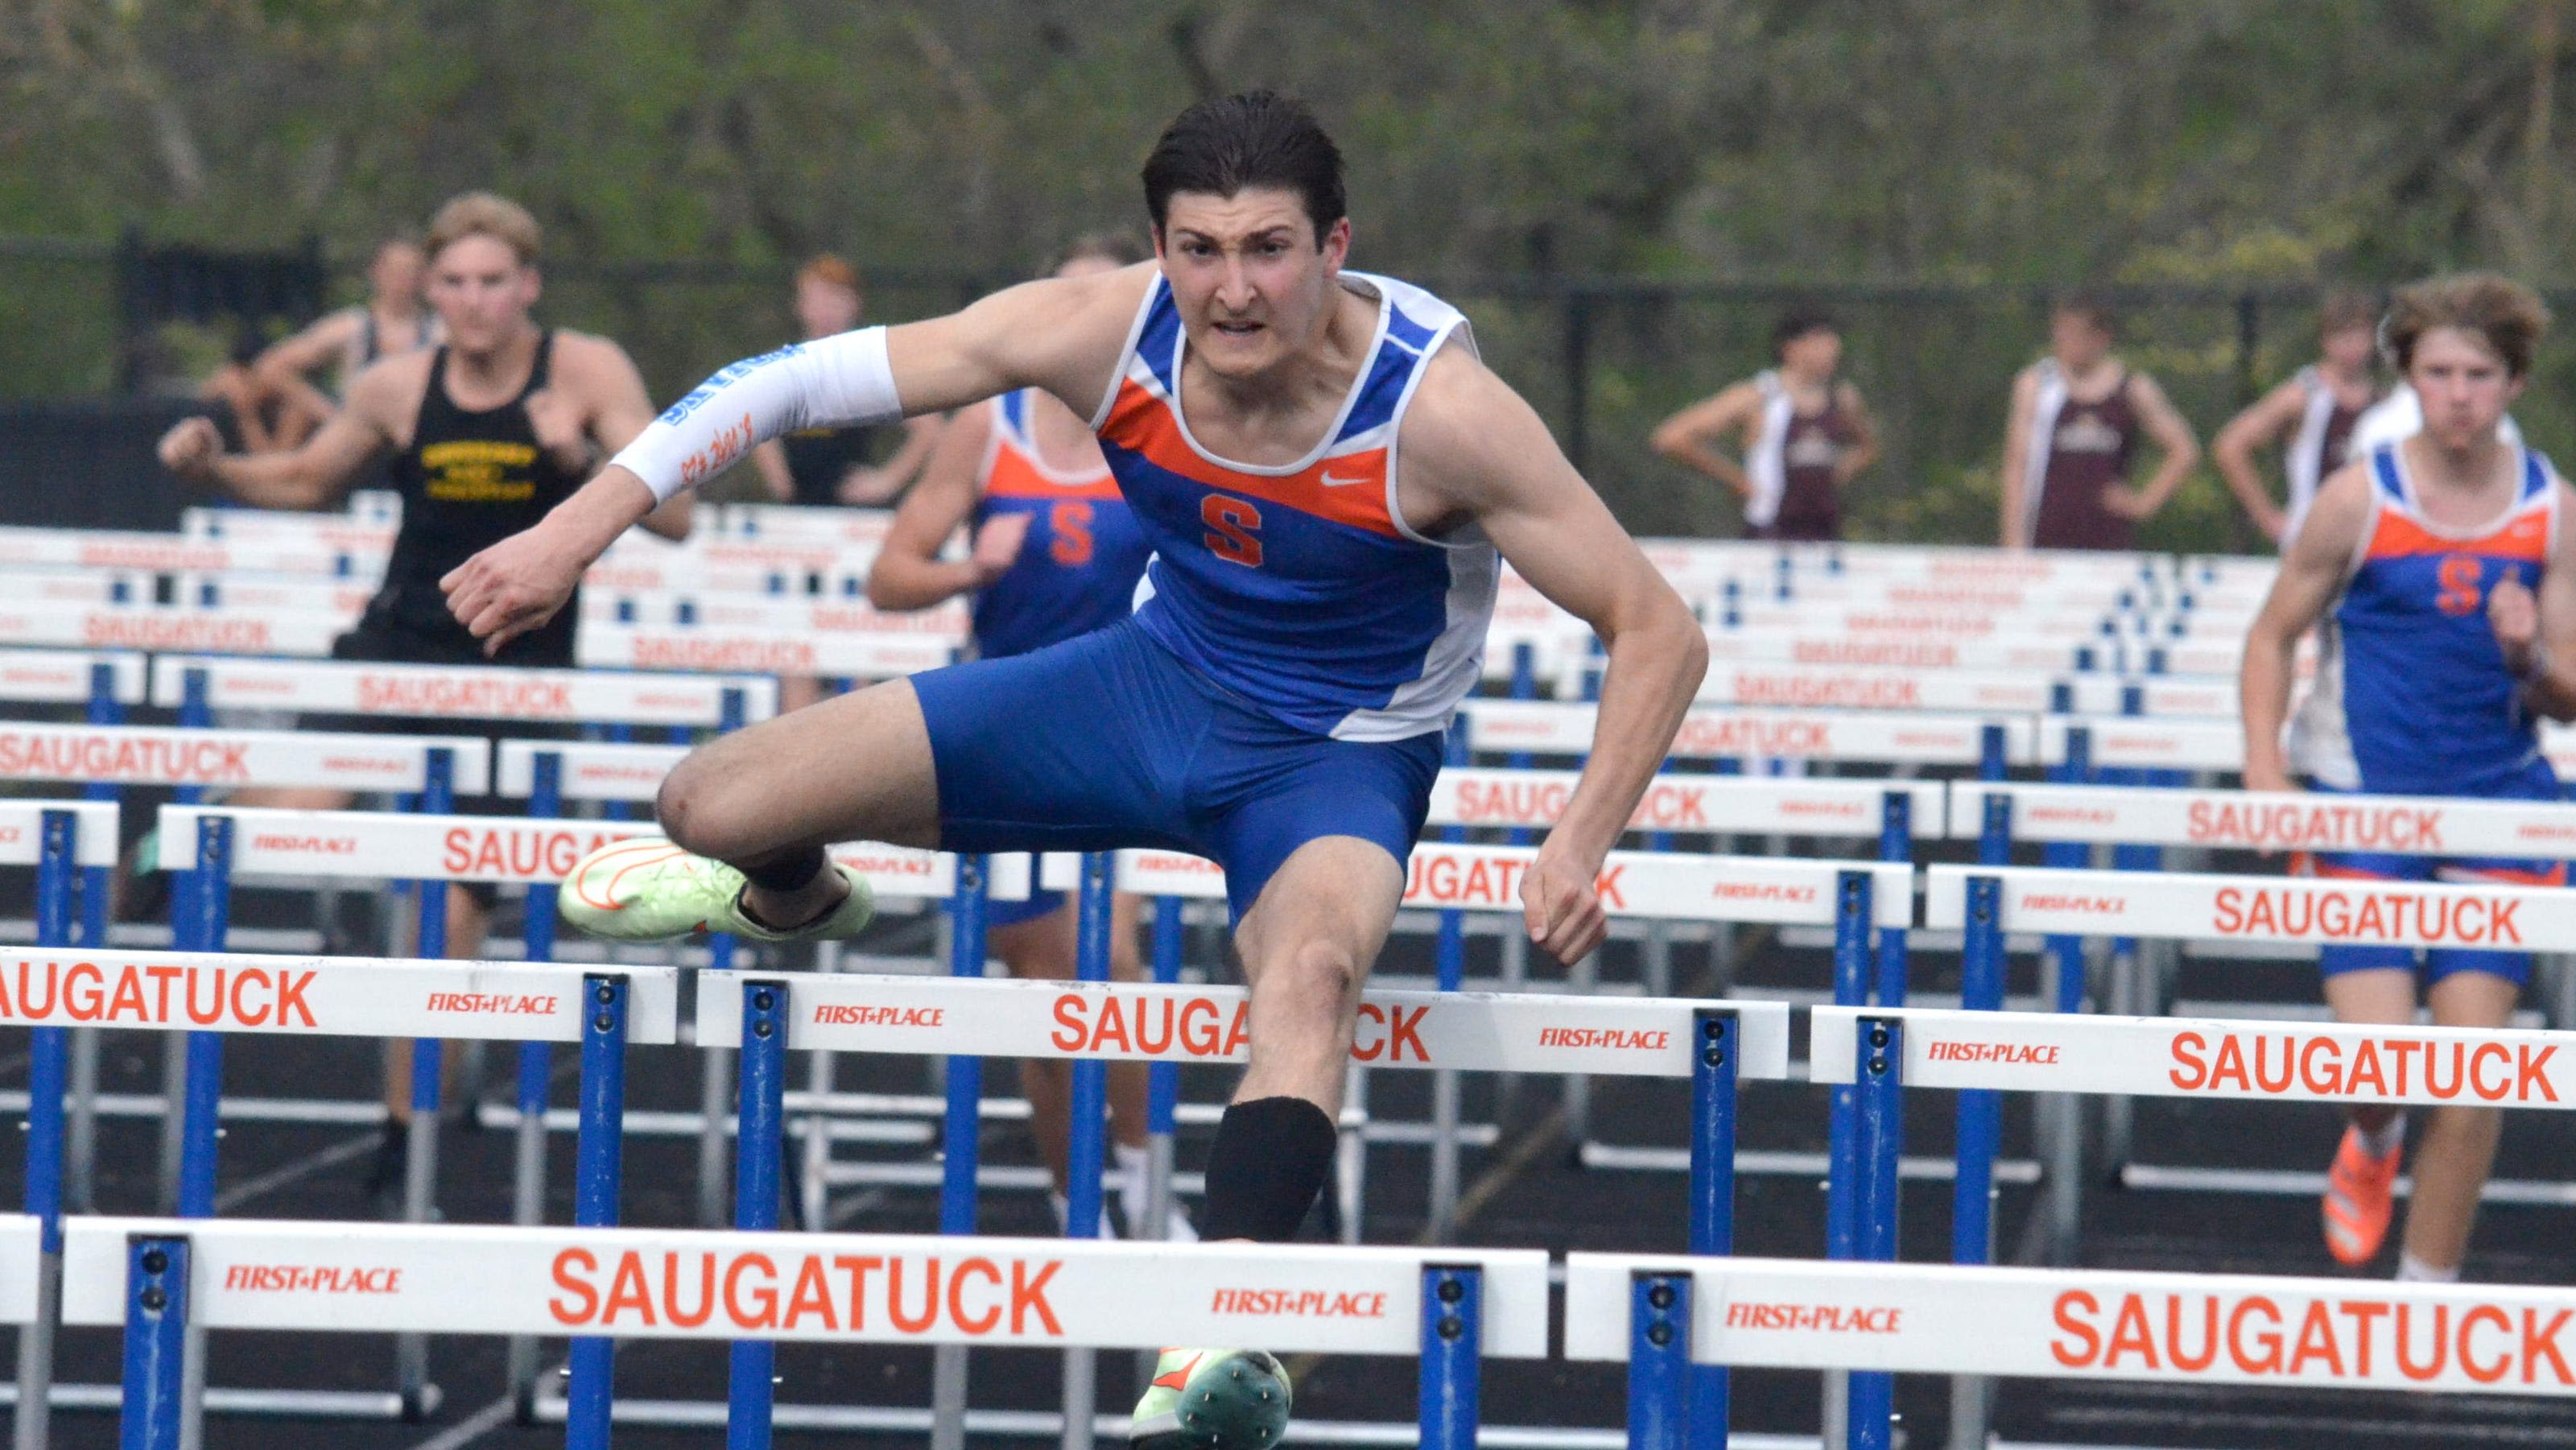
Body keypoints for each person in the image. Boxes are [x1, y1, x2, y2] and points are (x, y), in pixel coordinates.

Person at [440, 93, 1705, 1449]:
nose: (1233, 291)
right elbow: (786, 384)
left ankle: (1222, 1333)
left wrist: (1578, 837)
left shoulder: (1440, 412)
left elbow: (1657, 628)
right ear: (1158, 252)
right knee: (709, 803)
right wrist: (577, 532)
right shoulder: (1106, 329)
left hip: (1332, 759)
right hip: (1142, 688)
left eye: (1269, 249)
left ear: (1337, 245)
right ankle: (800, 897)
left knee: (1313, 975)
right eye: (1200, 251)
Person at [157, 192, 691, 1204]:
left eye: (494, 281)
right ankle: (186, 826)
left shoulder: (588, 369)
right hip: (400, 646)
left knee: (448, 913)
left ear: (528, 286)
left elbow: (683, 520)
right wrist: (216, 463)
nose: (474, 301)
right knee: (305, 813)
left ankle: (404, 1135)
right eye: (454, 282)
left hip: (516, 673)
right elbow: (311, 479)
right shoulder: (398, 383)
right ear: (426, 288)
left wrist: (578, 458)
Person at [2240, 273, 2574, 1283]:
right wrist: (2265, 769)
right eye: (2437, 372)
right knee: (2384, 1068)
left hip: (2499, 807)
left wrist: (2526, 656)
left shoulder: (2551, 509)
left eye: (2478, 374)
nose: (2458, 394)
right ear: (2408, 378)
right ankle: (2373, 1137)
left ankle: (2420, 1311)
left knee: (2472, 1086)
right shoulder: (2358, 495)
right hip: (2359, 799)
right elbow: (2269, 636)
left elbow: (2566, 696)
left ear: (2512, 382)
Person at [865, 231, 1186, 1239]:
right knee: (1046, 995)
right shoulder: (987, 427)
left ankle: (1138, 1180)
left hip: (1140, 730)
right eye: (1067, 305)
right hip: (1009, 736)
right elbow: (889, 574)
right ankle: (1071, 1198)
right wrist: (969, 571)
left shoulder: (1173, 426)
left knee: (1119, 963)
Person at [1649, 308, 1879, 540]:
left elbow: (1868, 446)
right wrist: (1737, 481)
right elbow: (1671, 438)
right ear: (1791, 347)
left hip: (1825, 534)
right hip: (1769, 534)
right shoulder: (1759, 396)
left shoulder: (1842, 398)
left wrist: (1837, 472)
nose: (1832, 348)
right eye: (1819, 339)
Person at [1998, 293, 2202, 550]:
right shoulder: (2037, 385)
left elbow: (2184, 450)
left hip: (2107, 543)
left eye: (2075, 334)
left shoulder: (2131, 389)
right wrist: (2011, 540)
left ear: (2100, 337)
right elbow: (2017, 464)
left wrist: (2143, 503)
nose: (2065, 343)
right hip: (2044, 538)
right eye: (2060, 333)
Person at [749, 254, 945, 508]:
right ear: (800, 304)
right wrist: (778, 478)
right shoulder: (783, 368)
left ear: (854, 304)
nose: (826, 309)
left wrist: (887, 481)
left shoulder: (869, 366)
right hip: (797, 512)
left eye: (835, 299)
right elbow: (753, 420)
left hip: (852, 512)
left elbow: (931, 429)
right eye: (817, 298)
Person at [2212, 291, 2382, 546]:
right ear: (2325, 341)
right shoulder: (2304, 395)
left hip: (2370, 539)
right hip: (2311, 540)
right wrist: (2268, 519)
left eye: (2359, 336)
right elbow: (2230, 446)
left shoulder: (2383, 402)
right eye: (2343, 337)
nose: (2352, 347)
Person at [246, 233, 444, 436]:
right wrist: (330, 415)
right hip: (359, 445)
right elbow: (271, 366)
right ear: (376, 273)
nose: (403, 280)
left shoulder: (440, 333)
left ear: (423, 277)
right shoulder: (352, 328)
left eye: (411, 271)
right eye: (395, 271)